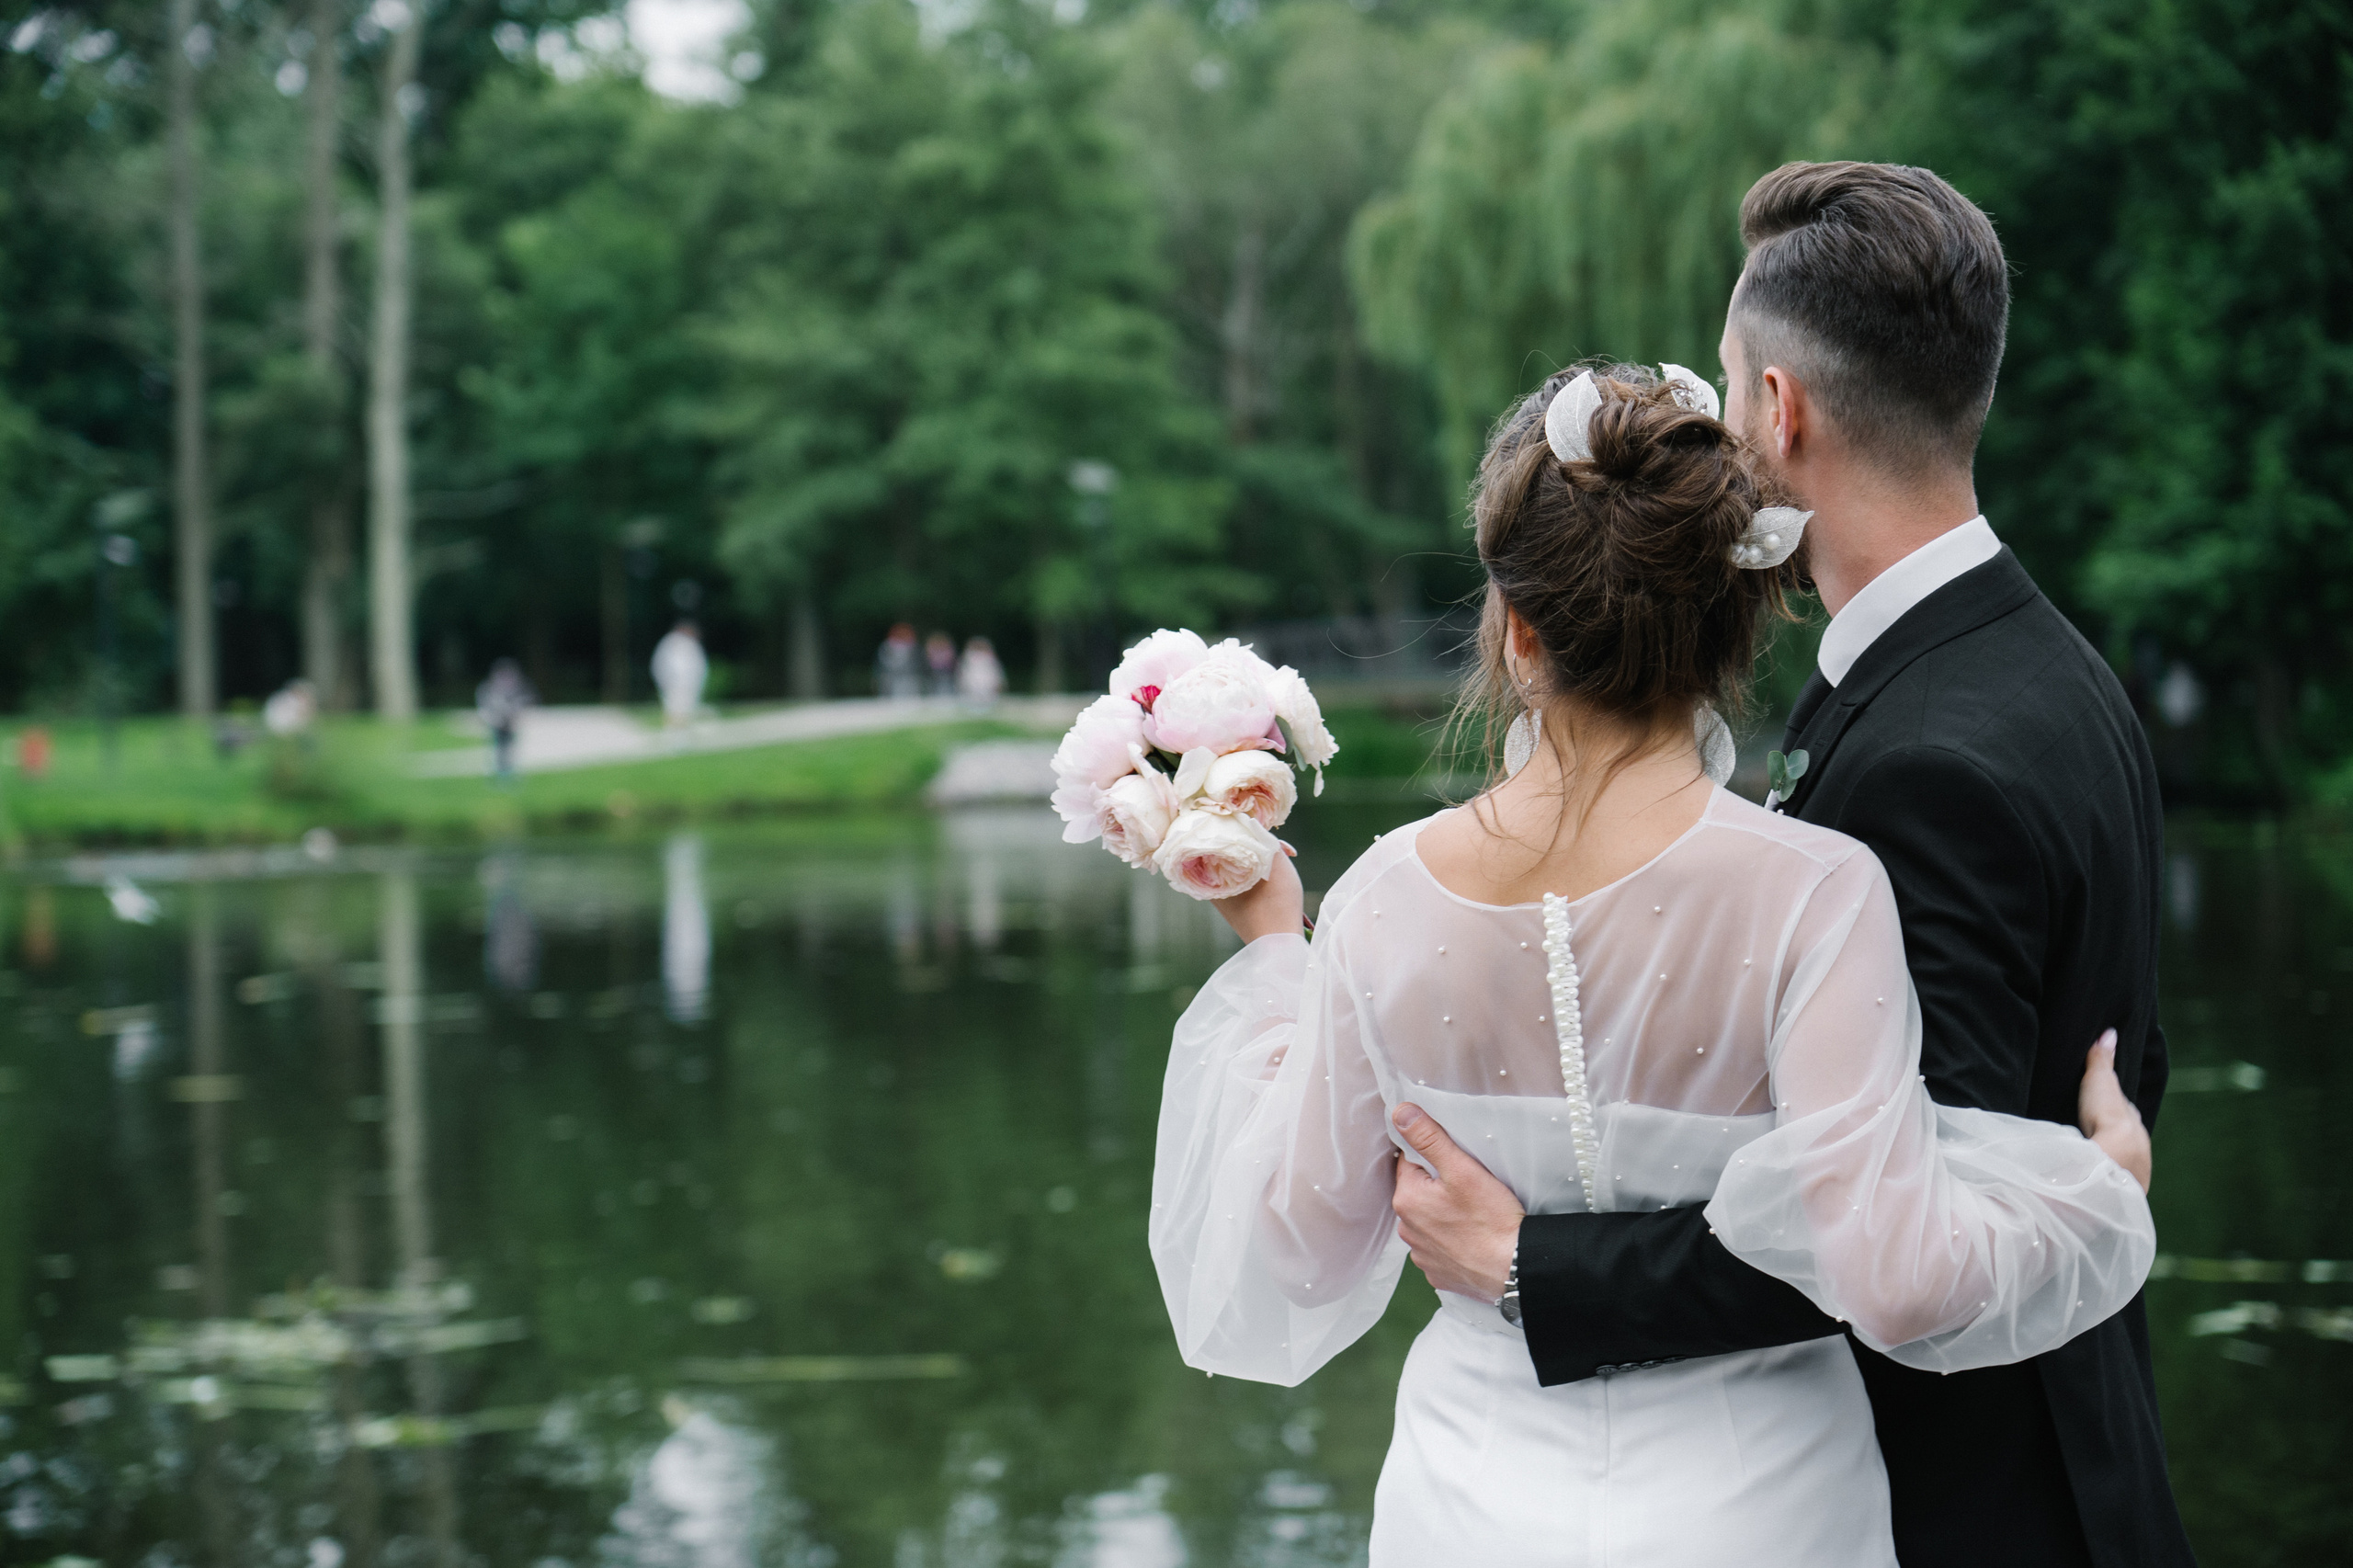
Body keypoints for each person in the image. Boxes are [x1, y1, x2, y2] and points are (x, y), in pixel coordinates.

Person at [1153, 358, 2161, 1564]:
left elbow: (1296, 1255)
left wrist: (1277, 946)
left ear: (1518, 631)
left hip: (1470, 1499)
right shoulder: (1820, 891)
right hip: (1765, 1503)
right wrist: (2095, 1190)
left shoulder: (1374, 904)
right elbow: (1894, 1277)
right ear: (1735, 619)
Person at [1381, 164, 2194, 1566]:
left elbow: (1877, 1228)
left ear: (1782, 411)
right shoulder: (2047, 665)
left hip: (1976, 1504)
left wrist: (1534, 1268)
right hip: (2070, 1449)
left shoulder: (1931, 757)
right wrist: (2099, 1172)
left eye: (1726, 381)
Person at [476, 658, 535, 783]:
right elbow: (486, 704)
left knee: (509, 749)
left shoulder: (515, 687)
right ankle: (501, 774)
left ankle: (508, 774)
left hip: (510, 723)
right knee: (500, 749)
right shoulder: (491, 687)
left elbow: (525, 700)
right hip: (497, 723)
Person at [652, 619, 709, 729]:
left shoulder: (691, 644)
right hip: (674, 684)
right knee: (674, 709)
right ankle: (674, 732)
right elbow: (661, 665)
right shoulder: (670, 643)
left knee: (685, 710)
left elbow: (698, 667)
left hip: (689, 685)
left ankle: (682, 732)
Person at [956, 635, 1005, 709]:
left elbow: (995, 674)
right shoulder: (967, 659)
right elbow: (963, 674)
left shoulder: (990, 659)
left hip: (987, 688)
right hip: (972, 688)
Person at [876, 622, 921, 699]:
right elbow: (885, 662)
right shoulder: (887, 646)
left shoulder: (913, 646)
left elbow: (917, 662)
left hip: (910, 678)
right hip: (892, 678)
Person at [924, 631, 958, 697]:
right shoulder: (930, 649)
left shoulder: (948, 650)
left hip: (946, 673)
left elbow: (950, 661)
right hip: (933, 674)